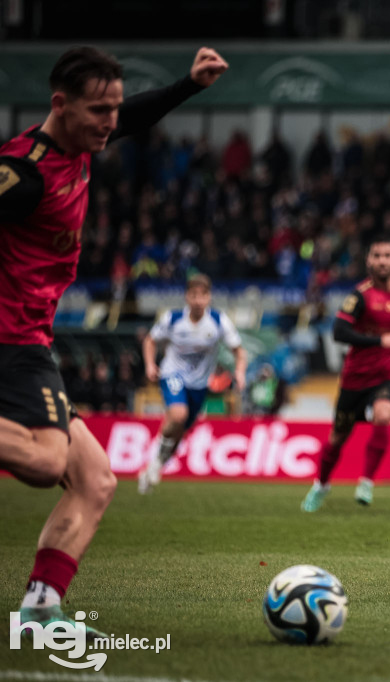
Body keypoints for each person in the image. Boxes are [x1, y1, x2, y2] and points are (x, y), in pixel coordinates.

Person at [0, 45, 227, 634]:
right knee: (49, 461)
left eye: (114, 109)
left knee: (95, 480)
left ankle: (39, 615)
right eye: (99, 110)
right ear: (60, 105)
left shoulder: (83, 141)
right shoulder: (22, 175)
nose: (111, 121)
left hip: (29, 341)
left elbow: (140, 115)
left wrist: (190, 84)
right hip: (8, 342)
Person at [301, 235, 390, 510]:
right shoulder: (360, 296)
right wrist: (380, 340)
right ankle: (321, 485)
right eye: (377, 256)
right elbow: (339, 331)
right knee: (337, 439)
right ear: (369, 261)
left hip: (389, 375)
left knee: (383, 415)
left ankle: (366, 482)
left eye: (387, 255)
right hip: (355, 378)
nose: (382, 261)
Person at [138, 274, 246, 493]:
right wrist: (150, 365)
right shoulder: (173, 318)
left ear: (209, 297)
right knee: (178, 415)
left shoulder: (218, 321)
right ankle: (157, 454)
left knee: (180, 430)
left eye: (202, 295)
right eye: (194, 295)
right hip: (172, 374)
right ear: (187, 297)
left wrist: (240, 372)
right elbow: (150, 340)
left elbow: (239, 351)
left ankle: (154, 465)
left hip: (199, 384)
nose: (198, 300)